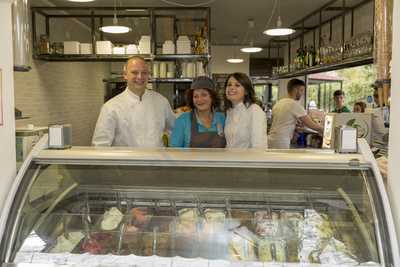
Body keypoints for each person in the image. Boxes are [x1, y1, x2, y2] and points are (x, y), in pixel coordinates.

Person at [92, 56, 175, 147]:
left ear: (148, 75)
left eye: (144, 73)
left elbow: (175, 130)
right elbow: (100, 146)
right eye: (134, 72)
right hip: (126, 161)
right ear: (125, 75)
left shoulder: (161, 102)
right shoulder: (111, 107)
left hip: (156, 160)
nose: (140, 77)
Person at [170, 76, 226, 148]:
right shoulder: (183, 120)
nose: (200, 99)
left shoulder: (221, 118)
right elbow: (174, 151)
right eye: (196, 96)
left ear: (212, 97)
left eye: (204, 95)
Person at [268, 79, 324, 149]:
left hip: (271, 139)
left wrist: (294, 127)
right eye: (301, 90)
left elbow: (279, 123)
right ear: (295, 90)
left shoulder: (279, 103)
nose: (302, 93)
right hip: (281, 141)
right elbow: (311, 125)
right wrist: (325, 130)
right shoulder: (294, 105)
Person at [224, 72, 267, 149]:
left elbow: (259, 146)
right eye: (229, 85)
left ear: (246, 91)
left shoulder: (254, 110)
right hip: (230, 159)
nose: (231, 88)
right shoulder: (229, 111)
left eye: (237, 85)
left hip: (247, 160)